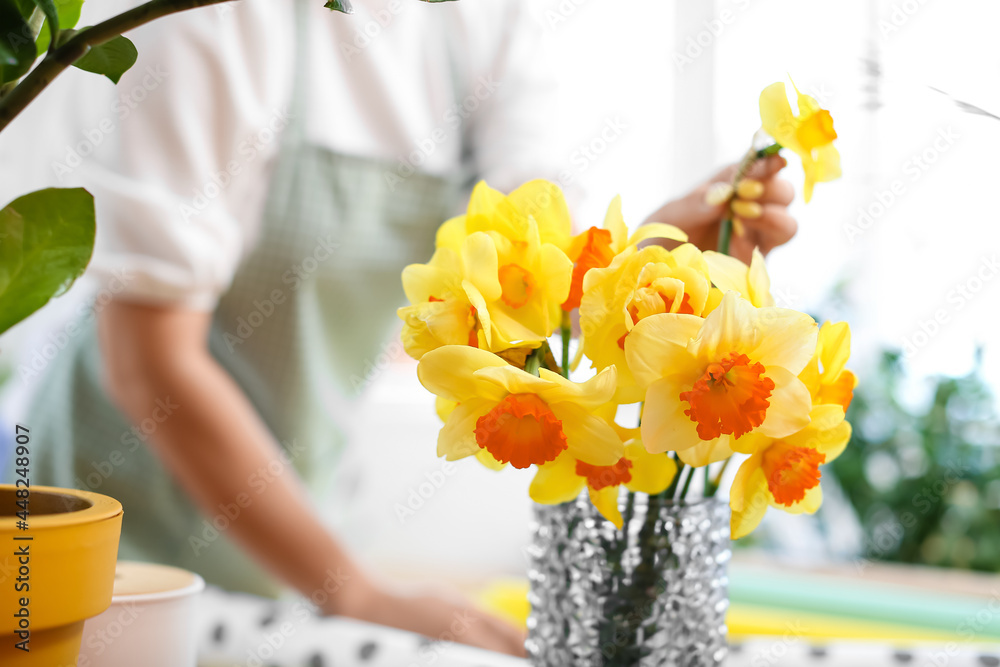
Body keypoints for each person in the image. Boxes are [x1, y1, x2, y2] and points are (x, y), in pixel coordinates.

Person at [19, 0, 796, 656]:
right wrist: (352, 588)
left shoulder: (479, 23)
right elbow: (150, 361)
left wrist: (657, 254)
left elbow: (534, 278)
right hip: (109, 555)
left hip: (306, 535)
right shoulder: (210, 19)